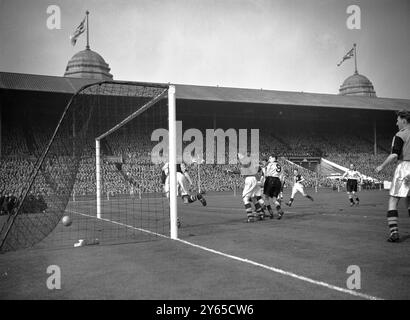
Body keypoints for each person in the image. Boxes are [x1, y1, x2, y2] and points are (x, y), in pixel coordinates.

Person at [375, 110, 410, 243]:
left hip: (405, 167)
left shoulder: (400, 134)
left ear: (404, 121)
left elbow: (395, 154)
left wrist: (382, 166)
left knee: (393, 200)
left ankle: (394, 233)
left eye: (397, 120)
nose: (396, 123)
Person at [227, 153, 265, 222]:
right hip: (255, 179)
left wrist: (232, 171)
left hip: (249, 179)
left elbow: (242, 171)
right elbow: (258, 168)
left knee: (245, 199)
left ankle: (250, 217)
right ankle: (261, 214)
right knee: (254, 199)